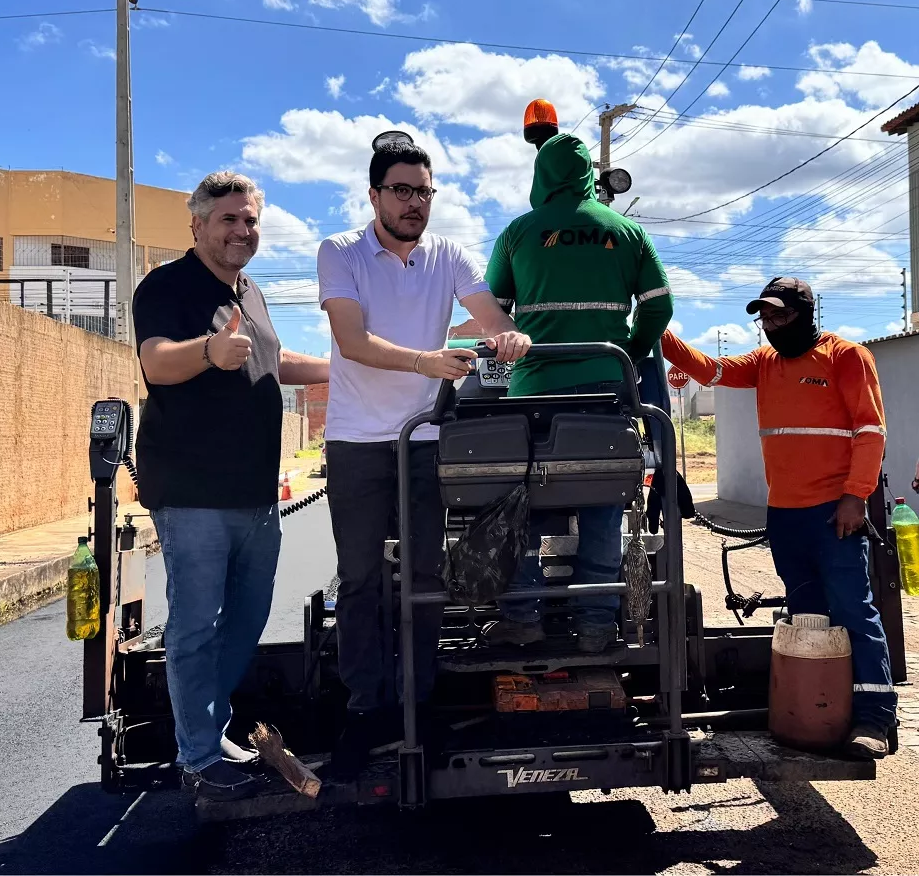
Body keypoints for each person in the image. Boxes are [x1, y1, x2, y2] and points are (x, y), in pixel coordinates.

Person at [317, 133, 531, 778]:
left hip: (422, 439)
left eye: (425, 192)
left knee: (425, 577)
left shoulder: (449, 255)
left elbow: (488, 312)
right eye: (402, 190)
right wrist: (425, 360)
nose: (415, 203)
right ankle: (365, 708)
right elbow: (350, 341)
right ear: (375, 194)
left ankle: (420, 703)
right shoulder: (341, 252)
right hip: (356, 439)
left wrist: (508, 334)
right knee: (358, 579)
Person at [133, 171, 329, 800]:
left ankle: (209, 732)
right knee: (195, 626)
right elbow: (157, 361)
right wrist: (208, 353)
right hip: (192, 496)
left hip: (255, 496)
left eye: (250, 220)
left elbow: (275, 362)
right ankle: (195, 757)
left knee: (244, 623)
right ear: (197, 225)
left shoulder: (251, 292)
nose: (242, 230)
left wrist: (350, 365)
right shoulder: (167, 287)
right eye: (229, 220)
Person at [662, 276, 897, 759]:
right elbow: (709, 370)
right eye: (765, 317)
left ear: (806, 313)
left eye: (780, 315)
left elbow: (871, 430)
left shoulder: (846, 356)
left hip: (835, 511)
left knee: (853, 609)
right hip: (785, 514)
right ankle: (818, 710)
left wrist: (856, 496)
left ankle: (874, 719)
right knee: (809, 614)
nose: (770, 325)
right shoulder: (764, 363)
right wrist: (657, 330)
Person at [483, 131, 673, 653]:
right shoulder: (626, 231)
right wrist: (630, 352)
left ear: (539, 175)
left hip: (534, 392)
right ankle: (595, 623)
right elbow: (660, 306)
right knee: (602, 502)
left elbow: (493, 311)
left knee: (519, 499)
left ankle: (523, 615)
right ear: (591, 172)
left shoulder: (518, 233)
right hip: (605, 393)